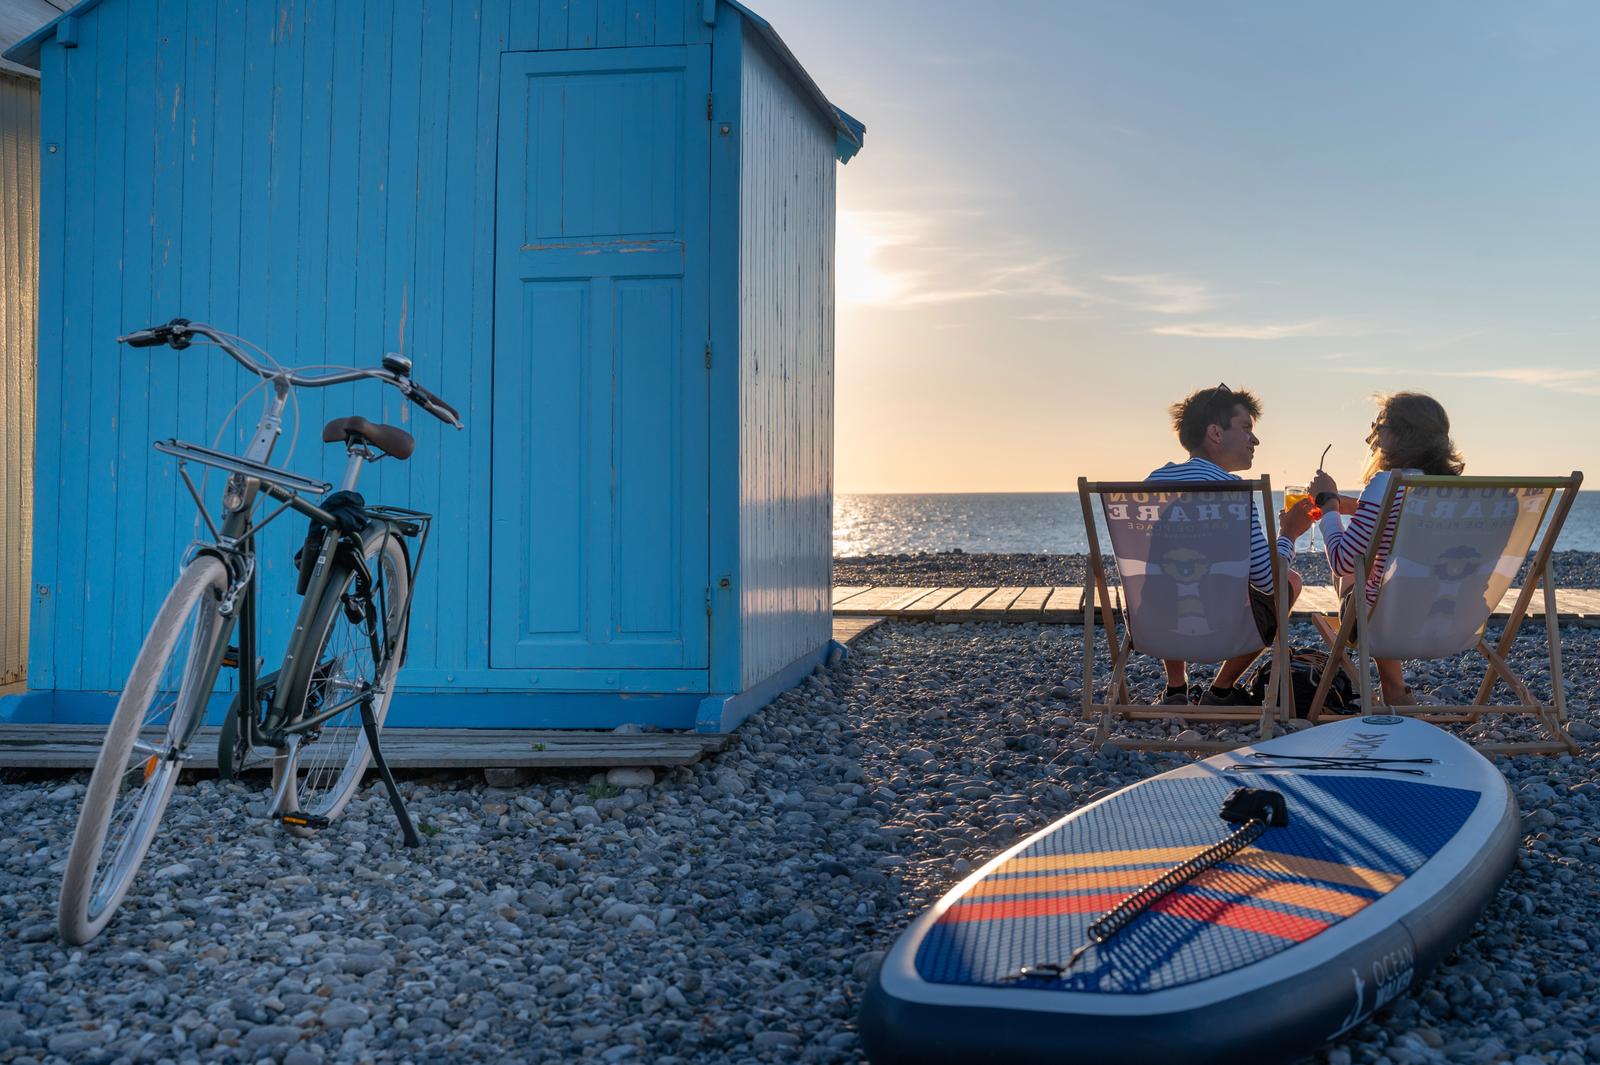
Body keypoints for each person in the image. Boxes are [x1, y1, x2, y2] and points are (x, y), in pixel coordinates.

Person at [1146, 384, 1311, 706]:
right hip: (1222, 628)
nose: (1255, 439)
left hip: (1155, 622)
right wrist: (1289, 533)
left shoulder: (1153, 483)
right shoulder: (1231, 491)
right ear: (1215, 433)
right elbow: (1267, 580)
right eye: (1247, 428)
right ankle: (1220, 690)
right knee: (1289, 581)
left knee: (1167, 580)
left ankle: (1176, 689)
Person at [1308, 391, 1465, 706]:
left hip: (1385, 623)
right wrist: (1356, 508)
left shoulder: (1386, 483)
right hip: (1452, 617)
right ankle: (1395, 690)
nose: (1373, 437)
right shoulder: (1456, 492)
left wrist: (1327, 506)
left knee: (1357, 578)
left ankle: (1393, 687)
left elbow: (1342, 560)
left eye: (1379, 427)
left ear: (1402, 435)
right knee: (1391, 577)